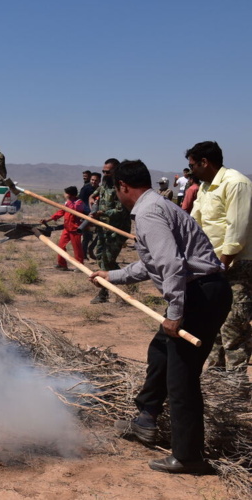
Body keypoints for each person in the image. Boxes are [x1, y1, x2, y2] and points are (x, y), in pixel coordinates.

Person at [89, 159, 231, 474]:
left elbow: (172, 266)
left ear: (123, 187)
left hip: (201, 294)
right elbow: (150, 264)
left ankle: (188, 457)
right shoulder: (156, 207)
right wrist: (111, 276)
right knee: (161, 353)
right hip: (201, 290)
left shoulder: (149, 213)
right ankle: (145, 420)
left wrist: (176, 313)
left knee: (181, 378)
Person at [187, 141, 252, 373]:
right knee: (211, 320)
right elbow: (194, 222)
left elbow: (237, 230)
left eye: (193, 165)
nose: (190, 170)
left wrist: (222, 265)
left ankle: (237, 383)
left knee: (233, 326)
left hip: (236, 264)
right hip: (211, 265)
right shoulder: (205, 187)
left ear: (205, 162)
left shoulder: (236, 183)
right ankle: (216, 376)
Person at [89, 158, 131, 303]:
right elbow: (94, 194)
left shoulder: (121, 187)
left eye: (108, 172)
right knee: (100, 256)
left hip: (117, 230)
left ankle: (104, 292)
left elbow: (120, 211)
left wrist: (101, 213)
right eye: (103, 172)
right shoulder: (104, 185)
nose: (105, 174)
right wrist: (91, 200)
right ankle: (127, 280)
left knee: (107, 259)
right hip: (103, 228)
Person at [40, 186, 86, 270]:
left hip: (75, 229)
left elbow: (76, 210)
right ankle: (62, 264)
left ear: (70, 194)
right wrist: (48, 220)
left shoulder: (79, 203)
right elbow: (60, 212)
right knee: (61, 246)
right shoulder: (67, 203)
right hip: (67, 228)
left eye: (66, 193)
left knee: (77, 248)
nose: (64, 195)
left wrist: (68, 203)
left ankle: (80, 266)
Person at [79, 172, 101, 260]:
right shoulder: (86, 189)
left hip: (97, 215)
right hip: (86, 215)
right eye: (92, 180)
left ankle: (91, 248)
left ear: (99, 181)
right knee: (86, 236)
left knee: (100, 233)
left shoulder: (100, 189)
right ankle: (84, 255)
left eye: (96, 180)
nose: (93, 182)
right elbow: (80, 201)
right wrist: (87, 212)